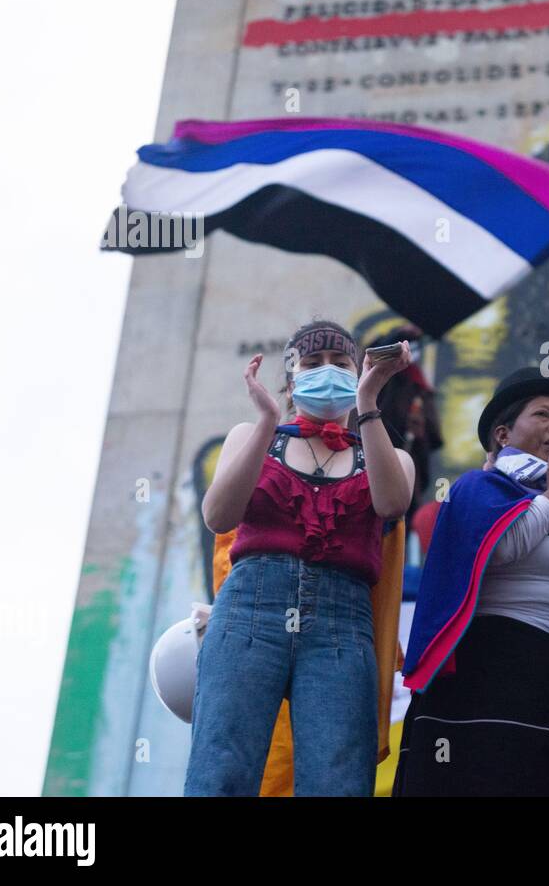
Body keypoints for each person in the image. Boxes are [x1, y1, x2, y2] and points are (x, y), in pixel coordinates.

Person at [394, 367, 549, 796]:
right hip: (495, 684)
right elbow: (498, 548)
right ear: (502, 434)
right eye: (543, 414)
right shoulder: (478, 487)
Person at [184, 320, 415, 796]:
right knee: (221, 769)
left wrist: (369, 403)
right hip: (249, 610)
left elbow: (391, 504)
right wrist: (267, 420)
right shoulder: (252, 435)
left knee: (338, 781)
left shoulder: (391, 456)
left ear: (358, 373)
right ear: (291, 381)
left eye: (341, 363)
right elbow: (217, 515)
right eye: (312, 363)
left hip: (341, 625)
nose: (326, 371)